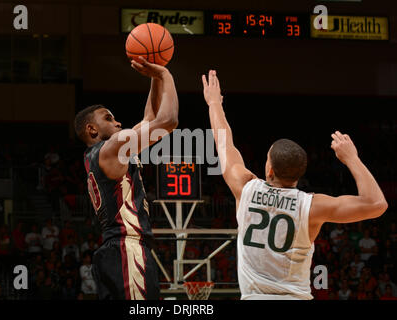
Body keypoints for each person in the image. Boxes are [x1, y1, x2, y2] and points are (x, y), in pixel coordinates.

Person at [201, 70, 388, 300]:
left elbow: (223, 142)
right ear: (298, 176)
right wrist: (352, 158)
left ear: (269, 169)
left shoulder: (246, 188)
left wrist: (213, 103)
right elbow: (377, 204)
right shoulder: (311, 206)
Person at [74, 56, 178, 300]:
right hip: (126, 247)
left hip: (116, 249)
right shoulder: (111, 148)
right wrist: (166, 76)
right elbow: (167, 121)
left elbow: (150, 120)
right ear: (92, 129)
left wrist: (154, 76)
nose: (118, 121)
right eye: (108, 118)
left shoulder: (99, 155)